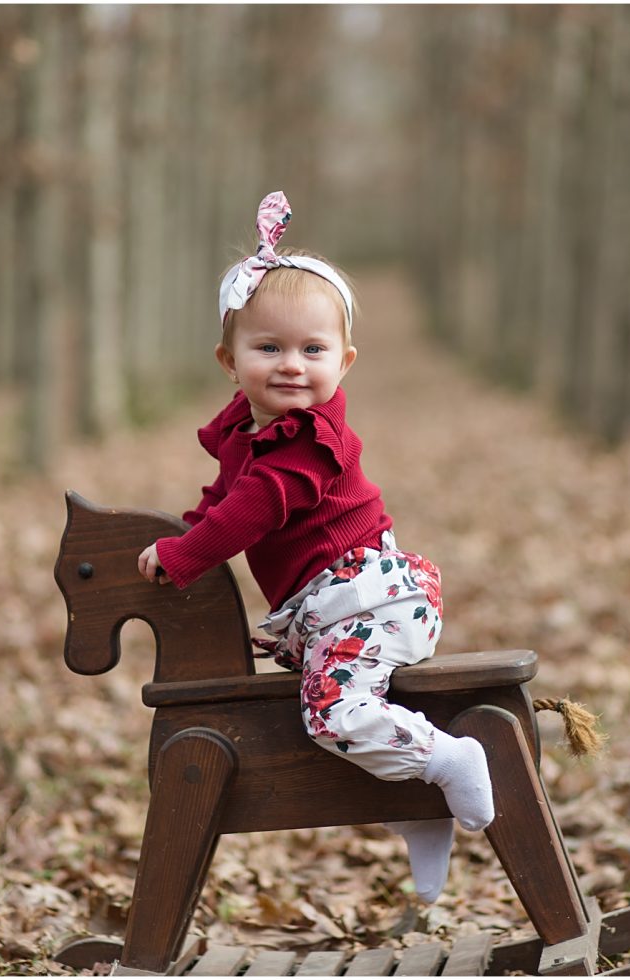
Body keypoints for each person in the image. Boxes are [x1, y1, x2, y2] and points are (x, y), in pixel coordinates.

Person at [136, 192, 493, 903]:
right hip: (328, 610)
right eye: (268, 348)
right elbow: (219, 499)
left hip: (371, 602)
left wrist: (186, 557)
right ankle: (414, 811)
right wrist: (182, 529)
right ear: (229, 359)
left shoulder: (308, 445)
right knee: (316, 721)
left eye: (313, 350)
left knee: (335, 713)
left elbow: (249, 512)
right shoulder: (247, 433)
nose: (292, 366)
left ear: (346, 360)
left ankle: (453, 760)